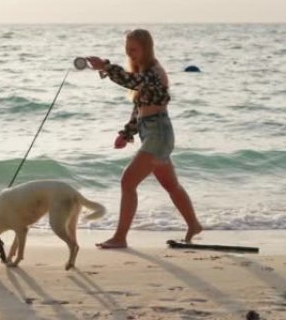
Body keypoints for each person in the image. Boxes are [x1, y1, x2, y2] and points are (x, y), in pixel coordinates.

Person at [86, 29, 202, 249]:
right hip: (153, 132)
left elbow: (129, 81)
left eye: (134, 50)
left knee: (127, 181)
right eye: (127, 50)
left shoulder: (153, 72)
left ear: (146, 49)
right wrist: (127, 133)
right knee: (172, 185)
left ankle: (120, 237)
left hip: (158, 133)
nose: (130, 54)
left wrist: (106, 66)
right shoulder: (144, 72)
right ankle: (194, 224)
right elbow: (140, 107)